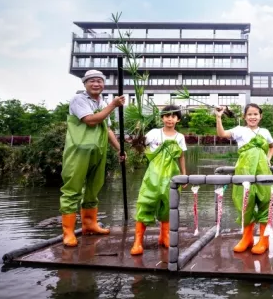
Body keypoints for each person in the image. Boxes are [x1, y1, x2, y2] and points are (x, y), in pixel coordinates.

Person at [60, 70, 126, 247]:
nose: (96, 84)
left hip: (99, 150)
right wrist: (113, 105)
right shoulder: (79, 100)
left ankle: (90, 224)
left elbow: (108, 129)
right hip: (78, 151)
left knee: (93, 188)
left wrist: (120, 149)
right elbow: (90, 120)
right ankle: (68, 232)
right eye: (92, 81)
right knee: (72, 189)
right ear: (84, 84)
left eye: (99, 81)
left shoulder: (102, 102)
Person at [215, 103, 273, 255]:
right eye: (249, 114)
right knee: (244, 202)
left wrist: (268, 158)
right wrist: (218, 117)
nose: (252, 117)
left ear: (260, 116)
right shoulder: (239, 130)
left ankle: (264, 240)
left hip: (262, 171)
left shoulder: (265, 131)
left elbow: (272, 146)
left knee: (265, 202)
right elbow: (222, 134)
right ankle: (247, 238)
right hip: (243, 169)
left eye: (255, 114)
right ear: (244, 117)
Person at [131, 105, 187, 255]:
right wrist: (138, 132)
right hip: (153, 175)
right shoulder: (154, 133)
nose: (170, 119)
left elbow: (181, 156)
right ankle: (138, 241)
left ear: (178, 119)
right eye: (167, 116)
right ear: (162, 118)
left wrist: (184, 175)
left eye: (173, 116)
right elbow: (139, 145)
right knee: (146, 202)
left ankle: (164, 236)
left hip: (171, 175)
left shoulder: (179, 137)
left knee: (169, 204)